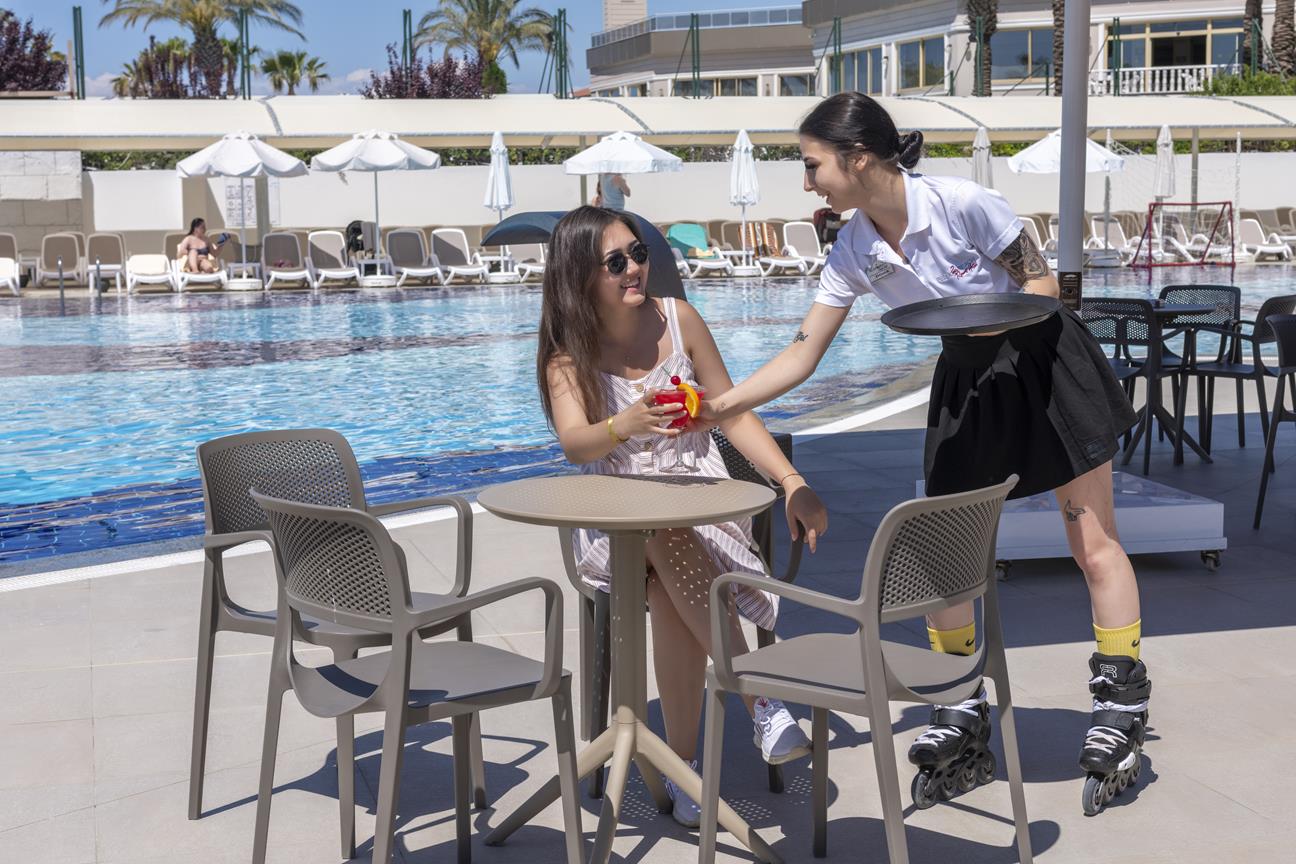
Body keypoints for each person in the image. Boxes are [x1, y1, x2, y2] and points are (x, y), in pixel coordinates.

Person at [700, 93, 1149, 815]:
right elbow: (803, 351)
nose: (808, 182)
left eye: (813, 165)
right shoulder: (853, 247)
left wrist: (988, 325)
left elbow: (1040, 286)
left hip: (1043, 365)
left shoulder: (963, 204)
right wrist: (719, 407)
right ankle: (961, 706)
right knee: (945, 559)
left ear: (858, 159)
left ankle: (1119, 705)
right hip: (966, 382)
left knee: (1091, 543)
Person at [536, 206, 828, 828]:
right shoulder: (568, 355)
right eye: (616, 262)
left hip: (701, 506)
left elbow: (732, 411)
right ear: (580, 275)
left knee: (671, 578)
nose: (635, 268)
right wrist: (624, 424)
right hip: (614, 520)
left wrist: (792, 482)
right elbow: (575, 444)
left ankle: (687, 771)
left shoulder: (680, 319)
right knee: (662, 534)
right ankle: (759, 703)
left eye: (638, 254)